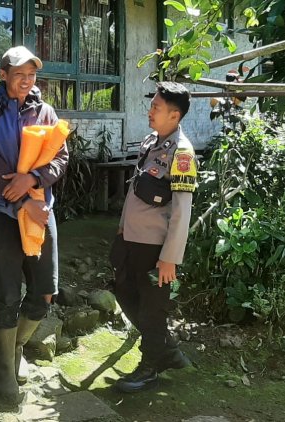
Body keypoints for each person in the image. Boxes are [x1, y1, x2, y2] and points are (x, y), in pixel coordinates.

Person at [0, 46, 68, 400]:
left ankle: (17, 349)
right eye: (18, 75)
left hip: (41, 210)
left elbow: (61, 156)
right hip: (0, 211)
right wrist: (24, 194)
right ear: (3, 75)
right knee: (8, 291)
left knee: (44, 289)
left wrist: (36, 180)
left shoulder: (45, 112)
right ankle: (4, 364)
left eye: (31, 75)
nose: (26, 81)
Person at [110, 81, 196, 393]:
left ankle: (150, 367)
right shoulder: (151, 141)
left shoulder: (182, 154)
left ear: (174, 116)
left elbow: (182, 211)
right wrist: (121, 227)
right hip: (131, 238)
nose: (150, 111)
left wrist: (169, 258)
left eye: (156, 108)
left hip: (155, 247)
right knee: (123, 292)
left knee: (151, 307)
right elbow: (135, 190)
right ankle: (166, 349)